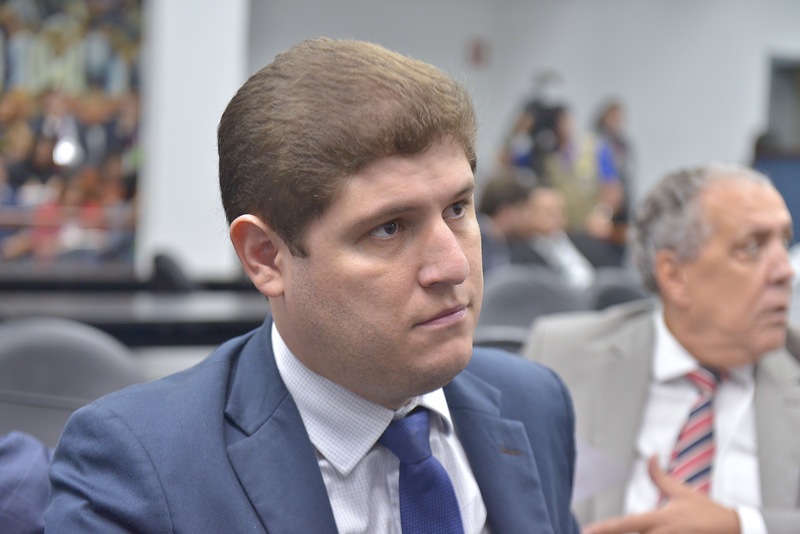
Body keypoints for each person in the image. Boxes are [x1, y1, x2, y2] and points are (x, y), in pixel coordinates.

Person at [45, 37, 579, 533]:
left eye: (457, 208)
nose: (454, 265)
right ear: (266, 256)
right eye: (389, 228)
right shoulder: (139, 468)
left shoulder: (533, 403)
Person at [523, 163, 799, 533]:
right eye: (752, 247)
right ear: (674, 274)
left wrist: (743, 526)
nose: (785, 271)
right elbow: (512, 501)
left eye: (784, 243)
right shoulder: (563, 355)